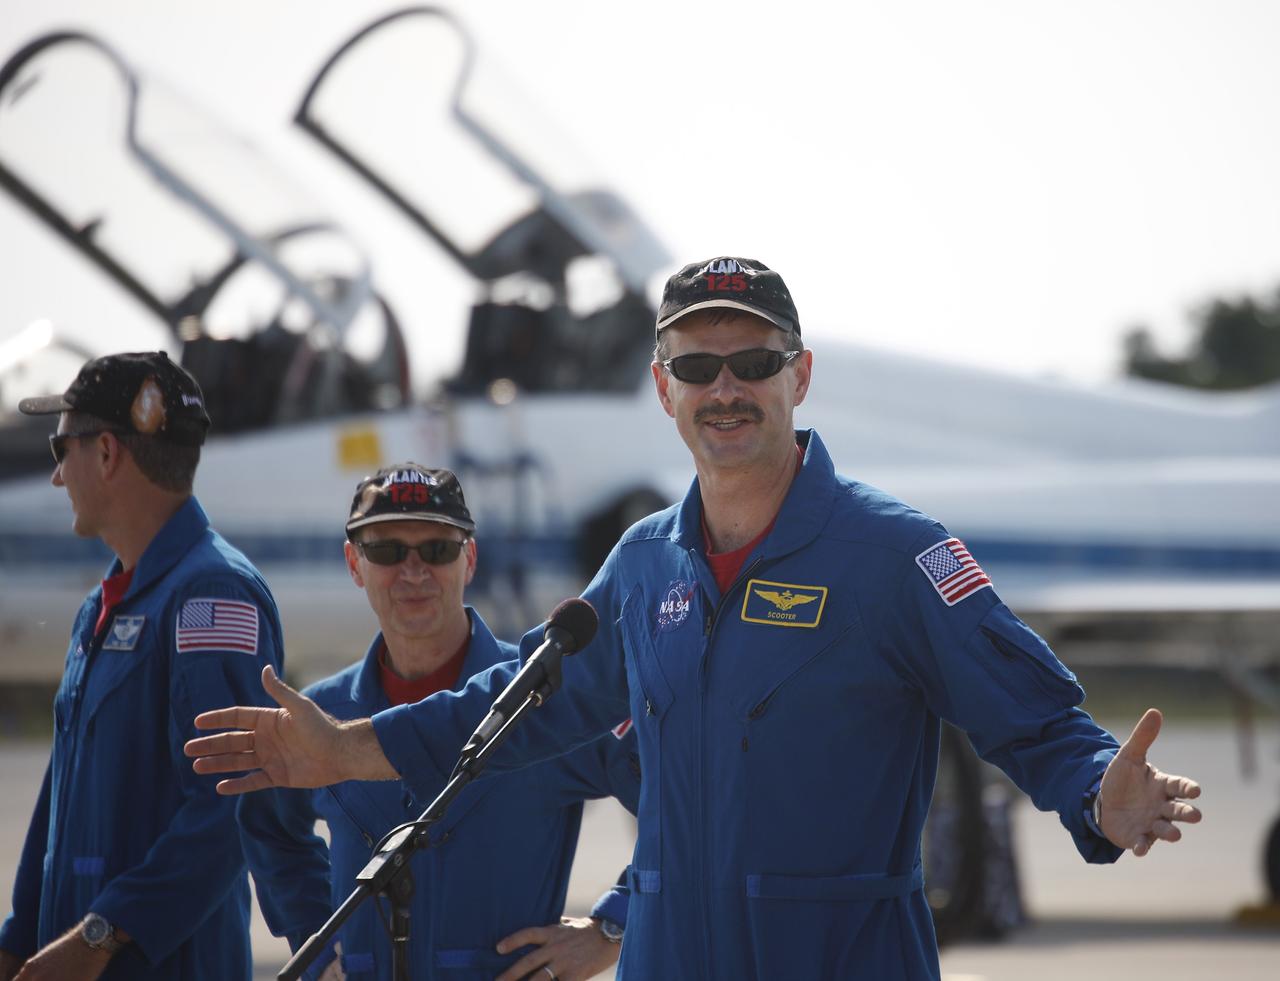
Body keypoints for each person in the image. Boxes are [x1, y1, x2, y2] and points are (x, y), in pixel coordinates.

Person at [186, 258, 1203, 981]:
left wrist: (1094, 799)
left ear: (797, 377)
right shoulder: (640, 564)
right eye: (695, 365)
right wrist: (347, 749)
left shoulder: (893, 556)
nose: (725, 388)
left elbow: (1033, 720)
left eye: (752, 362)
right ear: (661, 389)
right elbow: (514, 711)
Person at [236, 463, 640, 981]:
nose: (413, 571)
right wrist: (316, 945)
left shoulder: (542, 701)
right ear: (353, 564)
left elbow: (678, 803)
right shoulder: (324, 717)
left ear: (469, 559)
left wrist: (610, 931)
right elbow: (270, 827)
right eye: (386, 551)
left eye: (437, 550)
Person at [0, 352, 286, 981]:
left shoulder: (212, 596)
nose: (56, 477)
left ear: (106, 454)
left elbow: (227, 808)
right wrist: (20, 938)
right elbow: (62, 792)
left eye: (59, 448)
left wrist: (97, 938)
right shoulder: (104, 607)